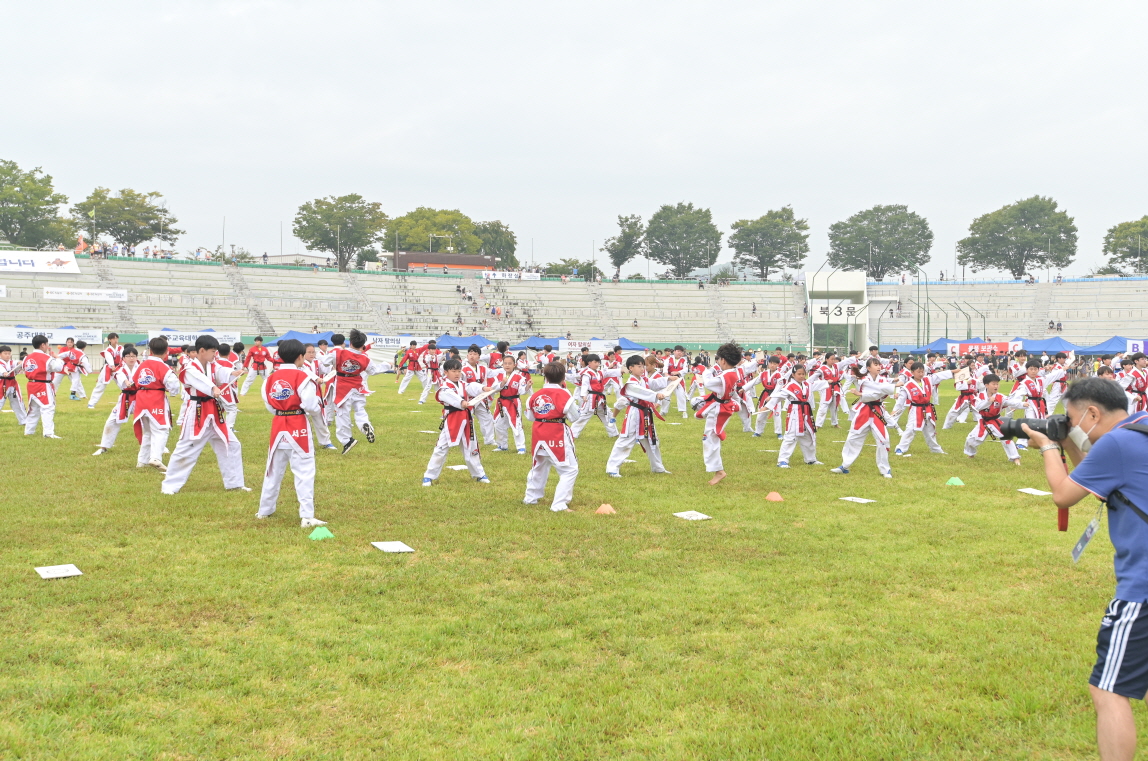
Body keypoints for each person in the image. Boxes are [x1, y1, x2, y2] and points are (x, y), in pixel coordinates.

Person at [1024, 377, 1148, 761]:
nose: (1073, 426)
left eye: (1073, 419)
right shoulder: (1139, 429)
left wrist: (1048, 445)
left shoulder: (1116, 444)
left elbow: (1064, 495)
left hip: (1142, 589)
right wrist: (1069, 444)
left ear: (1092, 413)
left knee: (1107, 690)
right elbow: (1097, 480)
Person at [161, 334, 248, 494]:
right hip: (197, 411)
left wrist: (233, 373)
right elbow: (200, 379)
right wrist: (213, 388)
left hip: (214, 412)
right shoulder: (189, 368)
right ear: (202, 351)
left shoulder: (212, 365)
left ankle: (235, 483)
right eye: (213, 351)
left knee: (231, 444)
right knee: (186, 449)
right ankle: (169, 487)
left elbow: (221, 371)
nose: (215, 354)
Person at [257, 339, 328, 527]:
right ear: (300, 357)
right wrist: (314, 410)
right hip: (298, 425)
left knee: (273, 470)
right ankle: (307, 516)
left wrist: (282, 410)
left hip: (278, 425)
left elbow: (269, 405)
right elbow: (311, 406)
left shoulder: (270, 379)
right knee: (304, 471)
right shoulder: (303, 378)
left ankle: (264, 510)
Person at [319, 329, 391, 454]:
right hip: (358, 386)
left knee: (342, 414)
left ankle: (347, 440)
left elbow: (325, 362)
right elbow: (373, 371)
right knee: (360, 409)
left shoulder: (339, 353)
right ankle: (364, 424)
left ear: (350, 343)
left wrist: (333, 358)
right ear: (363, 345)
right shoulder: (365, 358)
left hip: (343, 386)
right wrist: (387, 365)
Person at [523, 362, 582, 512]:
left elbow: (530, 417)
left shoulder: (535, 395)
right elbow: (575, 417)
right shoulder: (564, 395)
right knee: (569, 470)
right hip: (556, 432)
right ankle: (559, 504)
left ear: (545, 376)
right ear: (563, 377)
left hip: (539, 432)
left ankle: (530, 498)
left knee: (539, 465)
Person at [422, 358, 490, 485]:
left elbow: (472, 386)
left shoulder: (463, 384)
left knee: (471, 447)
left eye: (459, 371)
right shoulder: (444, 387)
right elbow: (449, 396)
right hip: (452, 421)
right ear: (446, 372)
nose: (457, 374)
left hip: (466, 419)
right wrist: (461, 402)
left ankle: (479, 474)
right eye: (454, 371)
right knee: (441, 448)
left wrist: (483, 388)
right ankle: (429, 475)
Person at [606, 354, 676, 478]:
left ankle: (657, 467)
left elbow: (654, 383)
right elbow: (644, 392)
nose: (642, 369)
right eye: (639, 366)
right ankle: (612, 468)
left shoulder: (643, 379)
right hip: (634, 414)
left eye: (643, 366)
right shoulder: (631, 384)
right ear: (631, 368)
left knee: (652, 441)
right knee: (625, 441)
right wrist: (656, 395)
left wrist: (668, 379)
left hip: (645, 414)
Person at [692, 342, 752, 484]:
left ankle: (719, 471)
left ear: (723, 360)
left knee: (710, 438)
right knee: (711, 437)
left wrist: (707, 371)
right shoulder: (733, 373)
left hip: (720, 409)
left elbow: (708, 383)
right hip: (722, 405)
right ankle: (718, 470)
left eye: (718, 359)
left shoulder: (725, 375)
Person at [831, 358, 896, 478]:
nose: (879, 366)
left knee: (883, 439)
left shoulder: (883, 379)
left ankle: (885, 469)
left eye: (879, 364)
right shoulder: (864, 380)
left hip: (877, 411)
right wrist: (882, 390)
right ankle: (844, 465)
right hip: (864, 410)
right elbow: (875, 395)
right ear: (869, 368)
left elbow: (881, 394)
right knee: (853, 437)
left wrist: (861, 394)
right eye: (875, 365)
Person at [131, 336, 181, 470]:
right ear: (166, 352)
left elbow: (134, 380)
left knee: (148, 431)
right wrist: (173, 392)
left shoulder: (142, 365)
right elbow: (173, 385)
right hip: (155, 398)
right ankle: (156, 458)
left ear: (150, 351)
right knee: (161, 429)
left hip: (141, 399)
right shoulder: (164, 367)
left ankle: (142, 461)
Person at [772, 363, 828, 468]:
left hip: (806, 412)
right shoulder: (790, 386)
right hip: (794, 413)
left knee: (809, 436)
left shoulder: (807, 384)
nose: (801, 376)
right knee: (790, 436)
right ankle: (783, 460)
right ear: (793, 375)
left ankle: (810, 459)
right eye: (799, 374)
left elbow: (818, 384)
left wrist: (828, 381)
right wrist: (768, 405)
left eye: (803, 374)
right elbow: (779, 396)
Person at [893, 362, 953, 456]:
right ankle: (900, 448)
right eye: (918, 372)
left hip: (928, 408)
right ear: (912, 372)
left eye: (922, 372)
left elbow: (939, 376)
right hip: (915, 409)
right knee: (910, 430)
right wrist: (895, 411)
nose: (921, 374)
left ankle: (936, 449)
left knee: (930, 431)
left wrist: (953, 371)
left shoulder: (927, 379)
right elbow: (900, 401)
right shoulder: (907, 386)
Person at [92, 345, 140, 456]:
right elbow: (120, 377)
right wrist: (127, 382)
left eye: (133, 356)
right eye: (128, 356)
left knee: (150, 421)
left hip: (140, 398)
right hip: (125, 398)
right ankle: (104, 447)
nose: (131, 358)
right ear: (123, 358)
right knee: (112, 421)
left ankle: (160, 447)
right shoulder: (119, 369)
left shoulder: (141, 368)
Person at [962, 374, 1021, 465]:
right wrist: (988, 401)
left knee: (1007, 438)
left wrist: (1023, 404)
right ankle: (971, 454)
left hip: (996, 420)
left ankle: (1015, 458)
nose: (996, 386)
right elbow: (977, 407)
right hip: (984, 421)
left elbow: (1011, 402)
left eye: (997, 384)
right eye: (993, 384)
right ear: (986, 385)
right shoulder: (979, 395)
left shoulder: (1000, 396)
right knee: (971, 440)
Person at [22, 335, 65, 438]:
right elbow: (58, 368)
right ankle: (48, 433)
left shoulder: (27, 358)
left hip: (31, 384)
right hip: (43, 384)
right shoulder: (47, 358)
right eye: (47, 344)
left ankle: (29, 431)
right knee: (48, 408)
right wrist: (58, 358)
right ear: (43, 345)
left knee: (33, 409)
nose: (47, 346)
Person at [570, 353, 621, 439]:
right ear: (589, 363)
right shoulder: (587, 373)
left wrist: (621, 371)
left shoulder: (600, 372)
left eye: (598, 362)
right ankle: (572, 434)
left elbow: (609, 372)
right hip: (590, 398)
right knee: (583, 416)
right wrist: (584, 395)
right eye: (595, 362)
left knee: (607, 415)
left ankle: (614, 433)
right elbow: (585, 385)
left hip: (600, 398)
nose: (597, 364)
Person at [492, 355, 531, 453]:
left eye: (510, 363)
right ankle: (502, 445)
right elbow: (494, 389)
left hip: (513, 402)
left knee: (516, 424)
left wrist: (527, 386)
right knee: (498, 424)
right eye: (505, 363)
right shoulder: (499, 376)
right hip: (501, 402)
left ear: (514, 365)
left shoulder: (519, 377)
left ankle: (521, 447)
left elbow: (522, 391)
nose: (507, 365)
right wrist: (502, 383)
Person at [88, 333, 123, 408]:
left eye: (116, 338)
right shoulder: (107, 350)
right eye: (113, 338)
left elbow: (122, 356)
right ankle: (91, 403)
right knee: (100, 386)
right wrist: (112, 365)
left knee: (123, 384)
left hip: (118, 368)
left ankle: (128, 401)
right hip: (108, 368)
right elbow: (109, 358)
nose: (115, 340)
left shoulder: (120, 348)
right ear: (109, 340)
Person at [0, 344, 27, 426]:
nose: (7, 355)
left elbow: (18, 363)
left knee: (18, 402)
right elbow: (2, 370)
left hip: (13, 383)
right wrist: (4, 372)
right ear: (0, 354)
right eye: (5, 353)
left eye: (9, 353)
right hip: (2, 383)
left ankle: (24, 421)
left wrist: (21, 363)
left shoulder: (12, 362)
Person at [660, 346, 690, 418]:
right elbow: (665, 368)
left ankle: (684, 411)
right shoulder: (668, 359)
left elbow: (685, 370)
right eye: (678, 351)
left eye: (681, 352)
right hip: (669, 379)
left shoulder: (684, 360)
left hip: (679, 379)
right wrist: (667, 376)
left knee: (681, 395)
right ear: (674, 351)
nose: (680, 353)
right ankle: (663, 411)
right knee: (666, 395)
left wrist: (678, 372)